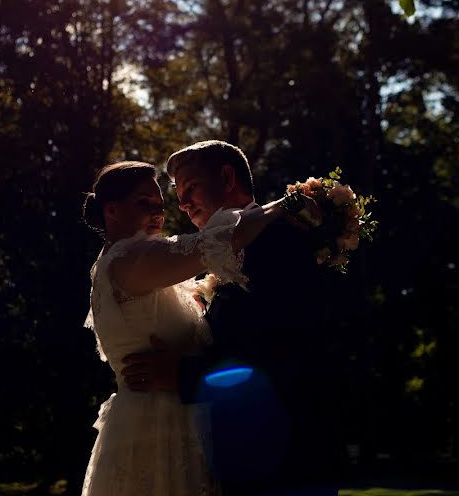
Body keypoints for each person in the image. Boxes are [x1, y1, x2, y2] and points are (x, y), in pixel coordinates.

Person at [80, 160, 304, 496]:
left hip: (156, 417)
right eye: (144, 204)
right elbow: (220, 241)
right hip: (158, 426)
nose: (158, 213)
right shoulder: (130, 259)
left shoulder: (124, 262)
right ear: (112, 210)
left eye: (160, 205)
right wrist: (289, 204)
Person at [121, 141, 333, 495]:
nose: (183, 203)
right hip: (245, 457)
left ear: (226, 177)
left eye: (191, 187)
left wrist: (182, 374)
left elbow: (288, 349)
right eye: (179, 193)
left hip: (286, 459)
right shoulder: (227, 254)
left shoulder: (278, 238)